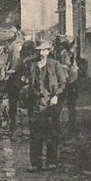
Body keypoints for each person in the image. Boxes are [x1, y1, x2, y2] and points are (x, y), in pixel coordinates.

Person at [22, 37, 65, 171]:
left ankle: (51, 162)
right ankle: (35, 163)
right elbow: (24, 80)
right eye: (39, 50)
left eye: (44, 51)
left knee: (51, 133)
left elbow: (63, 83)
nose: (41, 53)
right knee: (35, 134)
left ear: (48, 51)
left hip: (50, 103)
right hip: (35, 103)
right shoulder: (31, 65)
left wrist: (56, 95)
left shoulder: (55, 65)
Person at [53, 34, 79, 132]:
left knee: (64, 102)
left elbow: (67, 66)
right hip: (70, 79)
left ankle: (66, 125)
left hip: (69, 80)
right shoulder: (67, 52)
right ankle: (68, 125)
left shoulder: (64, 53)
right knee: (69, 104)